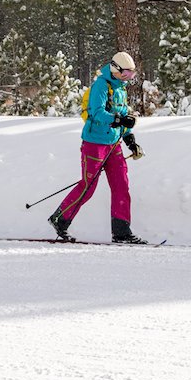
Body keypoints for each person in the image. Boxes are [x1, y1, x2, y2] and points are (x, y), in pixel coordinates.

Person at [48, 51, 146, 244]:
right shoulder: (101, 85)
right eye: (126, 73)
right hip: (94, 144)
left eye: (132, 74)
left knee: (121, 186)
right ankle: (60, 219)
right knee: (88, 186)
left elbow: (124, 115)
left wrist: (130, 140)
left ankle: (121, 232)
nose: (128, 78)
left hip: (113, 145)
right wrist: (118, 119)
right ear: (115, 69)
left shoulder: (121, 89)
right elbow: (97, 113)